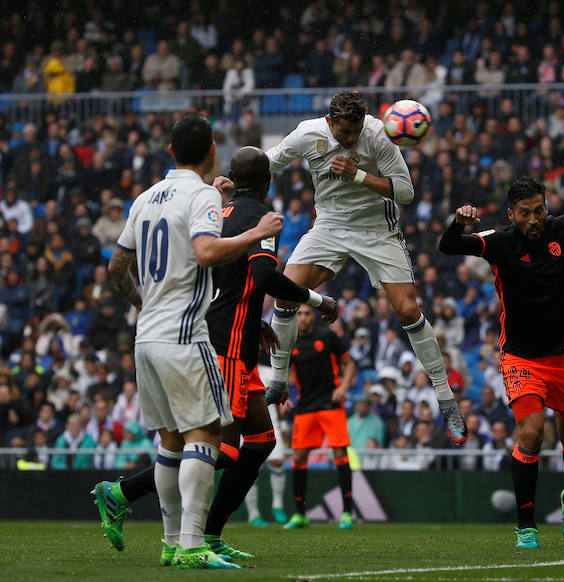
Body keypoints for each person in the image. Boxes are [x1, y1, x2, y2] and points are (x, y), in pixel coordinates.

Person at [92, 147, 336, 561]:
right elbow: (262, 275)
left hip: (234, 340)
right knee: (218, 449)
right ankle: (123, 494)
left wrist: (251, 314)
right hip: (223, 348)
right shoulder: (260, 216)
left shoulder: (217, 211)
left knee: (260, 442)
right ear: (266, 181)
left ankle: (210, 533)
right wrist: (316, 299)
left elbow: (227, 274)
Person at [439, 158, 564, 549]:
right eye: (525, 213)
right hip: (522, 357)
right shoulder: (500, 242)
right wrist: (460, 222)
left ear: (547, 206)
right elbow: (448, 246)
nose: (534, 219)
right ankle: (526, 526)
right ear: (512, 214)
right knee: (530, 432)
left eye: (539, 210)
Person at [263, 89, 468, 445]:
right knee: (284, 293)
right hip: (329, 226)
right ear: (329, 122)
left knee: (407, 310)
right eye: (344, 132)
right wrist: (235, 178)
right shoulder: (308, 133)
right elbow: (270, 160)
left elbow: (405, 193)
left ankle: (445, 395)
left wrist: (358, 175)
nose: (351, 137)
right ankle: (279, 380)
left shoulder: (379, 135)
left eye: (356, 130)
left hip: (377, 230)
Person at [282, 303, 357, 530]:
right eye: (300, 314)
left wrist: (343, 388)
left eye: (306, 313)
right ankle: (300, 514)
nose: (303, 318)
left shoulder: (327, 336)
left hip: (330, 403)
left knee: (339, 453)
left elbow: (349, 364)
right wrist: (284, 394)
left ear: (313, 316)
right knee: (299, 458)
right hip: (305, 405)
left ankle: (346, 513)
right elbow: (283, 370)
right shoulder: (290, 340)